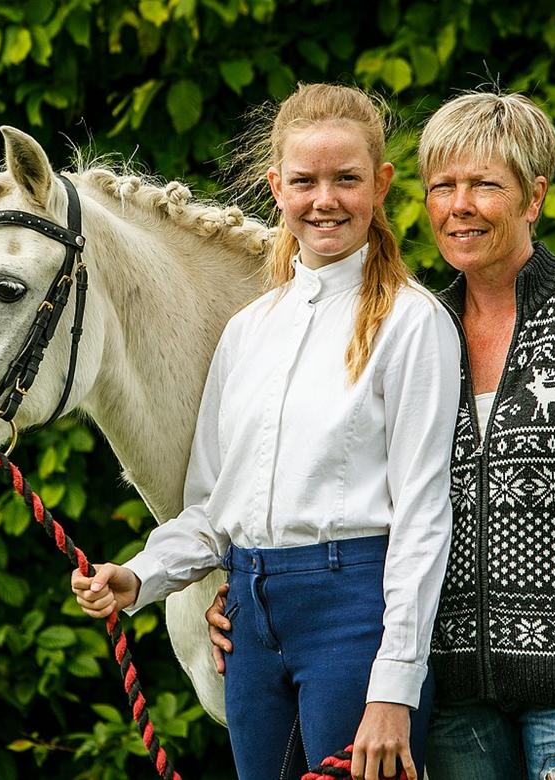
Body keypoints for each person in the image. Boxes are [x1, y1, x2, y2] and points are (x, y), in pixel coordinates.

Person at [208, 90, 555, 780]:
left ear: (533, 197)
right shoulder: (418, 326)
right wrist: (258, 596)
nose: (459, 205)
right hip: (453, 700)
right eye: (443, 187)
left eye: (484, 186)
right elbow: (353, 486)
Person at [71, 83, 460, 780]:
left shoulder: (415, 322)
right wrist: (140, 576)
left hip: (356, 622)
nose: (325, 200)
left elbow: (425, 518)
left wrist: (395, 687)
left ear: (382, 185)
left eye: (347, 179)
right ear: (276, 187)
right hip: (250, 626)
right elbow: (215, 510)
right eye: (305, 181)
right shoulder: (248, 332)